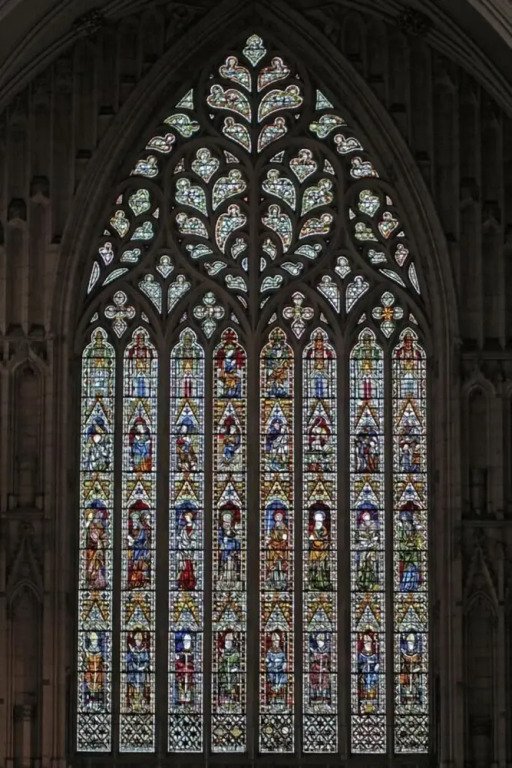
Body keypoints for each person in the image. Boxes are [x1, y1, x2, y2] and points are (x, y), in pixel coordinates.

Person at [85, 501, 108, 589]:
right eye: (96, 516)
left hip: (98, 550)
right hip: (91, 550)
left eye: (99, 517)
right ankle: (91, 581)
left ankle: (98, 581)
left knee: (98, 566)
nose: (98, 518)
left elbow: (103, 536)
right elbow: (89, 538)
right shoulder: (90, 527)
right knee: (91, 566)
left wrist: (102, 540)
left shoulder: (99, 527)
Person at [126, 631, 151, 711]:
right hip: (133, 672)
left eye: (139, 641)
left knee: (141, 686)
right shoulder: (133, 650)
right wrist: (131, 654)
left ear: (141, 641)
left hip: (141, 672)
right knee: (133, 686)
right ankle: (132, 702)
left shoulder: (144, 650)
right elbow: (128, 659)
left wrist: (142, 667)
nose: (137, 642)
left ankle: (142, 702)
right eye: (136, 640)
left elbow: (147, 661)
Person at [266, 507, 289, 590]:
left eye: (279, 516)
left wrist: (281, 540)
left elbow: (285, 538)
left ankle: (282, 580)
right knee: (269, 548)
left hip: (282, 546)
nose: (278, 517)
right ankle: (273, 579)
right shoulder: (273, 527)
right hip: (273, 545)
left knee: (280, 560)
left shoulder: (284, 527)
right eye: (276, 516)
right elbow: (272, 536)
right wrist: (269, 538)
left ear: (282, 517)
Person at [308, 507, 331, 590]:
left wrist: (324, 543)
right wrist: (310, 541)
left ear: (322, 519)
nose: (318, 520)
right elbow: (309, 542)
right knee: (313, 566)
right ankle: (313, 583)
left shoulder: (324, 530)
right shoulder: (312, 530)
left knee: (322, 566)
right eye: (316, 518)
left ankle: (322, 584)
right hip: (314, 551)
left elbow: (326, 541)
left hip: (322, 552)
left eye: (320, 518)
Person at [82, 631, 106, 710]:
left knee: (99, 688)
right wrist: (86, 659)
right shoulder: (88, 652)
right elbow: (85, 664)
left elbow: (102, 663)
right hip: (90, 673)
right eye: (93, 641)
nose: (94, 643)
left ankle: (99, 703)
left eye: (95, 641)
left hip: (98, 674)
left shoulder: (100, 652)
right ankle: (90, 703)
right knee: (90, 688)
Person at [176, 505, 197, 591]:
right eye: (185, 517)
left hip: (191, 551)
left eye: (188, 516)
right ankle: (182, 584)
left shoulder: (195, 527)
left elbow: (196, 538)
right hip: (183, 551)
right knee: (183, 567)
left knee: (190, 568)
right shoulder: (183, 528)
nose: (186, 518)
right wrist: (179, 540)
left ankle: (191, 585)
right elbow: (181, 539)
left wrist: (192, 545)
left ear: (191, 517)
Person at [217, 631, 241, 708]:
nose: (227, 643)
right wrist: (221, 663)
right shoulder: (223, 654)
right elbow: (220, 665)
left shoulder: (236, 653)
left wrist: (235, 668)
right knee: (224, 686)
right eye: (226, 641)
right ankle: (224, 701)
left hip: (233, 675)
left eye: (229, 641)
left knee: (233, 686)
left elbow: (239, 664)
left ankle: (233, 700)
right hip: (224, 674)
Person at [218, 508, 241, 586]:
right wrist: (222, 543)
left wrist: (237, 538)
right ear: (223, 519)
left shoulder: (233, 529)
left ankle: (233, 580)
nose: (227, 520)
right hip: (225, 551)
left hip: (233, 551)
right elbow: (218, 539)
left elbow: (237, 539)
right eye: (225, 518)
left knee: (233, 565)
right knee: (225, 565)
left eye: (228, 518)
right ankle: (223, 579)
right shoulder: (220, 530)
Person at [357, 632, 380, 710]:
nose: (366, 643)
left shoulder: (375, 656)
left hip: (373, 677)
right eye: (365, 641)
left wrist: (376, 667)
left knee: (372, 692)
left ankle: (371, 707)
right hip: (364, 677)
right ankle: (365, 707)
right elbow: (358, 667)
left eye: (368, 641)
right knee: (364, 692)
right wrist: (364, 666)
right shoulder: (361, 655)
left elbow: (378, 666)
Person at [309, 632, 331, 707]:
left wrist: (325, 667)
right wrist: (313, 657)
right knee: (314, 679)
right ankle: (316, 697)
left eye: (320, 641)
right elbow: (312, 660)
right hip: (316, 670)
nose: (318, 643)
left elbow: (329, 662)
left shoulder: (327, 650)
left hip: (324, 670)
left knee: (324, 682)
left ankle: (324, 698)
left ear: (323, 641)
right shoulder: (315, 650)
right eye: (317, 641)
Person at [266, 631, 287, 707]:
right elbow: (267, 661)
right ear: (272, 642)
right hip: (272, 670)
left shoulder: (281, 651)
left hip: (280, 670)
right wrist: (272, 664)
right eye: (275, 642)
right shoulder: (269, 651)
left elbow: (284, 660)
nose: (276, 643)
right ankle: (273, 698)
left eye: (277, 642)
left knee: (284, 677)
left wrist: (284, 664)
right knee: (272, 678)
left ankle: (279, 693)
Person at [174, 632, 195, 706]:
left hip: (189, 677)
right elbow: (177, 666)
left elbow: (194, 666)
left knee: (189, 687)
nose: (186, 642)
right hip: (182, 676)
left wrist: (188, 667)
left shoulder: (193, 654)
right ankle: (180, 702)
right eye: (185, 641)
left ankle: (189, 701)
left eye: (188, 641)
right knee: (181, 688)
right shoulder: (180, 654)